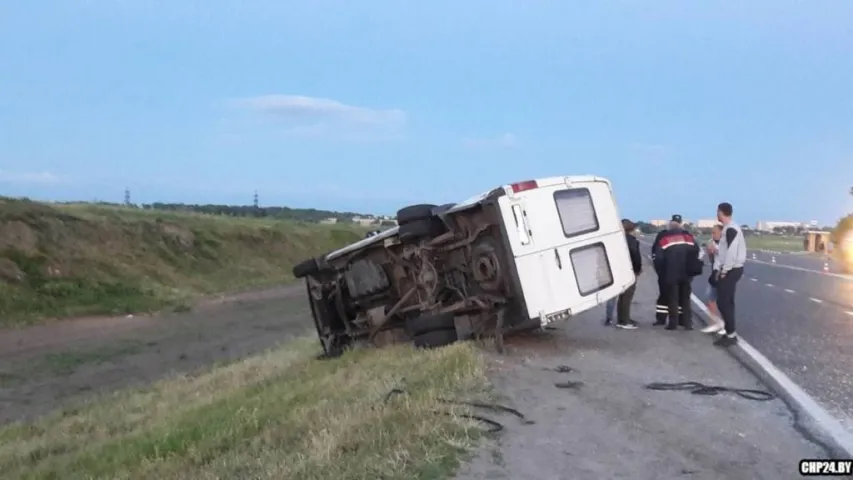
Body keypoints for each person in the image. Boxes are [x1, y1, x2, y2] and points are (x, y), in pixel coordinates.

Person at [652, 215, 701, 330]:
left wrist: (660, 271)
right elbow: (697, 252)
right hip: (686, 273)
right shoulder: (689, 238)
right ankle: (687, 323)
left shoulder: (664, 238)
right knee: (685, 298)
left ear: (670, 225)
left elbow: (658, 258)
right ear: (681, 225)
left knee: (672, 298)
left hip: (670, 272)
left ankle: (672, 323)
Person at [713, 202, 747, 347]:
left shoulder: (731, 229)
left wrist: (724, 270)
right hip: (733, 268)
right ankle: (730, 332)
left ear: (721, 212)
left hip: (732, 269)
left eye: (717, 212)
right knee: (727, 302)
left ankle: (731, 334)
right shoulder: (730, 228)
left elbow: (731, 252)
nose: (717, 215)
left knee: (723, 302)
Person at [651, 215, 683, 325]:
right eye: (673, 222)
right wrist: (658, 267)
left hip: (677, 270)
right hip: (665, 270)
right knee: (665, 294)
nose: (674, 224)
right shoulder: (662, 235)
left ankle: (676, 319)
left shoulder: (684, 235)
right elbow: (655, 252)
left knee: (676, 296)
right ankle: (662, 318)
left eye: (676, 223)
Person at [615, 219, 643, 329]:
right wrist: (638, 269)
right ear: (631, 229)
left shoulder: (618, 239)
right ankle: (625, 321)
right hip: (630, 270)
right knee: (627, 296)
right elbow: (636, 256)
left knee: (622, 296)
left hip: (620, 270)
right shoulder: (631, 240)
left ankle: (621, 318)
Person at [700, 224, 726, 333]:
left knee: (722, 301)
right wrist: (710, 253)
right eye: (712, 232)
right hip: (715, 273)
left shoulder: (725, 244)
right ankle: (714, 323)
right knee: (711, 299)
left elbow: (727, 257)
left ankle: (723, 324)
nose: (712, 235)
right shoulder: (713, 243)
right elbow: (712, 261)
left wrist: (715, 250)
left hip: (723, 274)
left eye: (714, 232)